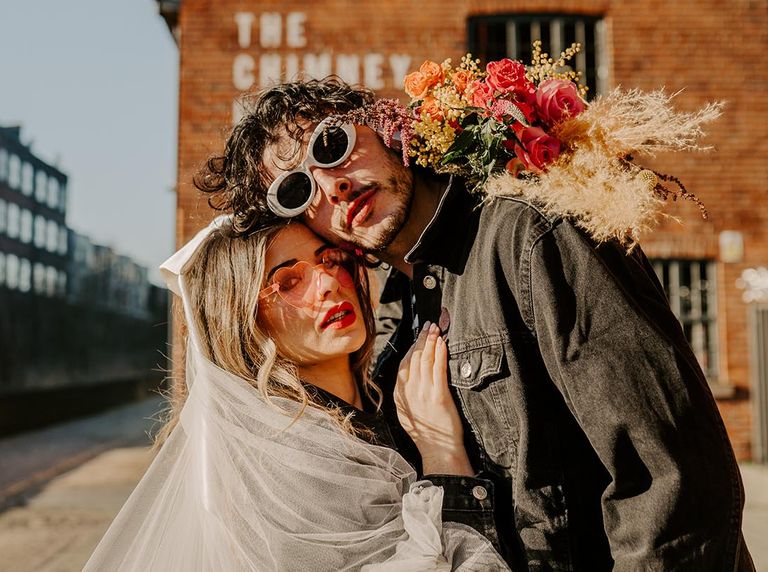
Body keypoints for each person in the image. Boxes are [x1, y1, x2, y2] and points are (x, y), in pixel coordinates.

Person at [197, 77, 755, 571]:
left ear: (382, 125)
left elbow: (670, 482)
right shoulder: (394, 321)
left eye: (332, 145)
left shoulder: (531, 237)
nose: (332, 185)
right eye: (297, 190)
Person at [84, 216, 509, 571]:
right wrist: (442, 453)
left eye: (330, 260)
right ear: (242, 321)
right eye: (287, 281)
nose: (327, 282)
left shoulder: (379, 398)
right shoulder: (292, 461)